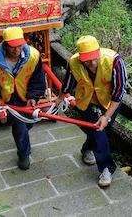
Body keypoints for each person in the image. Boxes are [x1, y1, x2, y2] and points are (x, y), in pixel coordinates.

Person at [54, 35, 127, 187]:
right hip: (86, 101)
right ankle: (108, 168)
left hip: (109, 103)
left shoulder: (114, 61)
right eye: (87, 60)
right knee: (98, 132)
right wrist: (60, 98)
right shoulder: (74, 62)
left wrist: (107, 116)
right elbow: (68, 82)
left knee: (100, 132)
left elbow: (119, 92)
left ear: (99, 51)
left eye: (95, 58)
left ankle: (87, 149)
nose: (92, 63)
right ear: (80, 57)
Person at [0, 26, 45, 170]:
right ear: (5, 45)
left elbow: (38, 78)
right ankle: (23, 155)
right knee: (20, 126)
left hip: (25, 97)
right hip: (7, 99)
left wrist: (34, 96)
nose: (17, 50)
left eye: (19, 46)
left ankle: (22, 139)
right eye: (12, 47)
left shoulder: (33, 55)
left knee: (30, 123)